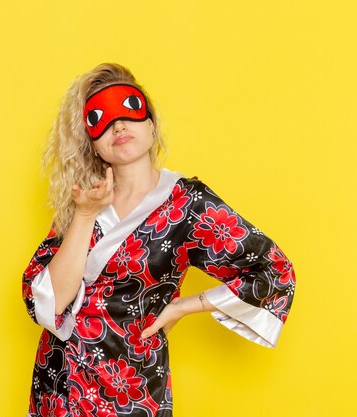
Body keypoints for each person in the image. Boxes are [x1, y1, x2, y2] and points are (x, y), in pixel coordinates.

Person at [21, 63, 296, 417]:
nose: (118, 125)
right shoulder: (84, 201)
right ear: (93, 144)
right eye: (101, 119)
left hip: (132, 384)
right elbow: (50, 303)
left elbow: (273, 271)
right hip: (60, 383)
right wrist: (85, 214)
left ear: (150, 124)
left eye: (130, 111)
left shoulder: (188, 203)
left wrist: (185, 305)